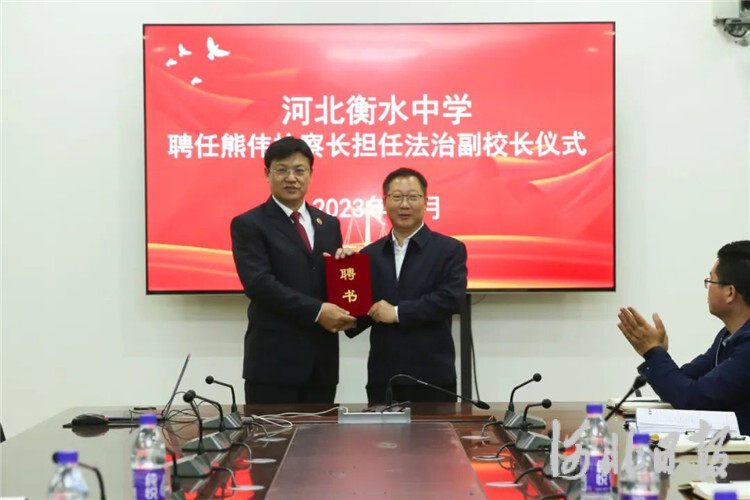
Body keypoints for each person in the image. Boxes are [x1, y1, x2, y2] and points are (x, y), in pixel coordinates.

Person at [231, 137, 355, 404]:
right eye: (282, 170)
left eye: (299, 170)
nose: (291, 178)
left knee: (321, 432)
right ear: (267, 173)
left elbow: (330, 283)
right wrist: (318, 311)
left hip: (321, 365)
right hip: (273, 365)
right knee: (268, 433)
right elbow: (259, 284)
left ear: (310, 174)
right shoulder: (249, 224)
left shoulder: (329, 224)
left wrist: (345, 268)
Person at [342, 168, 468, 404]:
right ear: (385, 203)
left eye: (412, 197)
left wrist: (398, 313)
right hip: (384, 377)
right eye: (397, 197)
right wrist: (342, 271)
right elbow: (361, 312)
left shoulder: (449, 249)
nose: (404, 205)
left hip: (433, 377)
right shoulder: (369, 254)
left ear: (426, 202)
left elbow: (451, 299)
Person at [617, 240, 750, 434]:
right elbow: (682, 384)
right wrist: (658, 353)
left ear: (730, 292)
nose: (707, 288)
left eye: (710, 281)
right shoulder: (728, 336)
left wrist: (653, 353)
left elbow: (692, 399)